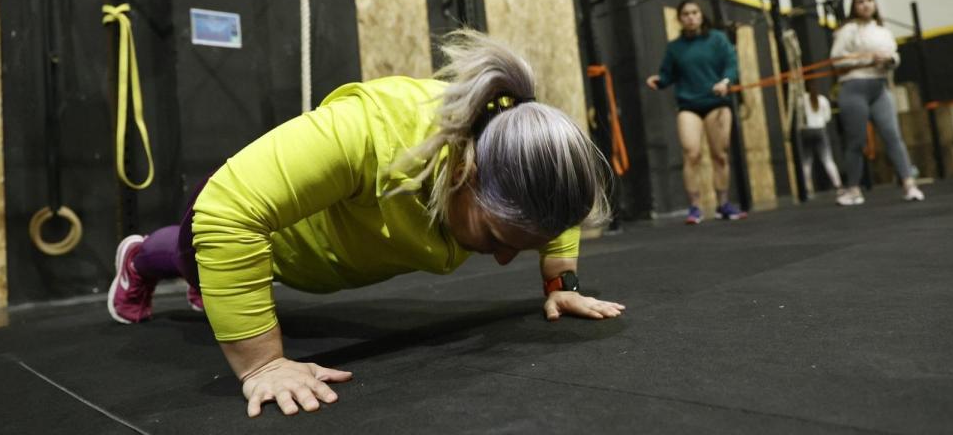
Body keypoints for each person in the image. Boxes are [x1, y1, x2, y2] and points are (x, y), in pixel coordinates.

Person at [107, 29, 624, 418]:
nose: (508, 257)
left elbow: (551, 209)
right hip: (245, 231)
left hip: (314, 259)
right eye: (496, 238)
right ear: (465, 171)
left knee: (221, 281)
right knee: (186, 253)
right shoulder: (370, 131)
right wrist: (263, 364)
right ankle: (138, 259)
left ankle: (219, 286)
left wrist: (560, 280)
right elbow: (226, 214)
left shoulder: (511, 149)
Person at [646, 0, 747, 225]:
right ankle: (695, 207)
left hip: (716, 102)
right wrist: (659, 81)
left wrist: (725, 81)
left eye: (695, 13)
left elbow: (731, 65)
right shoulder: (675, 48)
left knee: (720, 155)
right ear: (680, 19)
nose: (691, 17)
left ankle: (723, 204)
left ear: (701, 16)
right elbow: (667, 74)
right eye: (686, 14)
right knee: (692, 154)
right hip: (689, 105)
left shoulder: (718, 40)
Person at [830, 0, 924, 205]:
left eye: (869, 0)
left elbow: (894, 56)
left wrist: (889, 60)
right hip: (854, 88)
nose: (866, 4)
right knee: (856, 140)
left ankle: (909, 184)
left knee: (893, 136)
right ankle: (853, 189)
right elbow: (836, 60)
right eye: (861, 1)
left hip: (880, 88)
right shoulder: (847, 31)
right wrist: (868, 59)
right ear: (854, 6)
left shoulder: (883, 32)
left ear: (875, 4)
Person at [799, 81, 843, 196]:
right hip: (819, 129)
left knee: (807, 161)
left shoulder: (801, 99)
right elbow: (827, 117)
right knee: (827, 159)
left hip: (806, 131)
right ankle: (838, 185)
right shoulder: (822, 99)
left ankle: (807, 189)